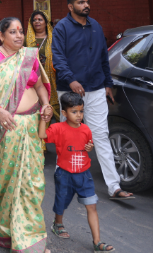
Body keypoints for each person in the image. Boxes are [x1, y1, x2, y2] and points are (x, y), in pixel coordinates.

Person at [0, 17, 53, 251]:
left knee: (29, 182)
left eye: (21, 31)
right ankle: (0, 228)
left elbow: (39, 85)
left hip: (30, 124)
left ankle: (27, 234)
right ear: (1, 35)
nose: (19, 36)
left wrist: (45, 104)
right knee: (3, 178)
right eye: (13, 32)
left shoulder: (29, 56)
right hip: (5, 125)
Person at [52, 0, 133, 200]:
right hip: (70, 90)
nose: (86, 5)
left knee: (101, 135)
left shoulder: (96, 26)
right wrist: (71, 79)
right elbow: (58, 58)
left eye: (87, 1)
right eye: (81, 2)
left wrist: (107, 83)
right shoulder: (61, 28)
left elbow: (103, 57)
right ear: (70, 7)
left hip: (96, 88)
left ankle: (114, 186)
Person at [47, 92, 114, 252]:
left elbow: (87, 144)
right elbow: (42, 136)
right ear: (64, 113)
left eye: (81, 111)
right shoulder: (57, 128)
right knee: (61, 202)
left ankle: (97, 242)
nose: (79, 115)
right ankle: (58, 223)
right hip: (64, 174)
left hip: (84, 175)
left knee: (92, 207)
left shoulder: (86, 130)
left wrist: (90, 147)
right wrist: (44, 120)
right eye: (74, 112)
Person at [27, 9, 59, 120]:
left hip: (52, 76)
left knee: (54, 106)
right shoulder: (27, 40)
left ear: (46, 22)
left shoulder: (53, 38)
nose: (37, 22)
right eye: (34, 20)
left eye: (40, 19)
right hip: (33, 78)